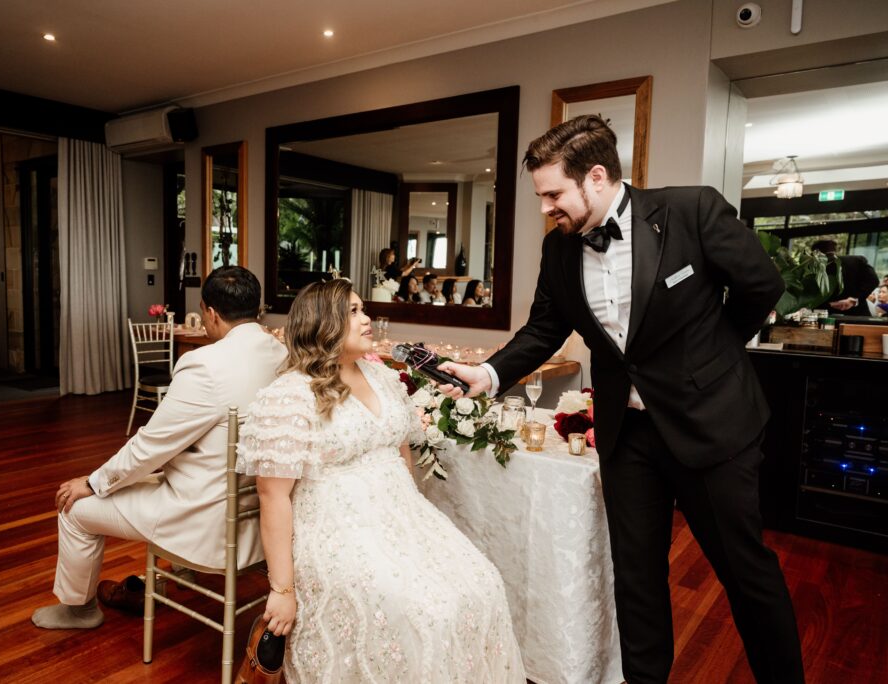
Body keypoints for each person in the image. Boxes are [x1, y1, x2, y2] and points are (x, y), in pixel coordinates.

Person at [436, 115, 804, 684]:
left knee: (745, 574)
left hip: (712, 426)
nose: (545, 208)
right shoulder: (558, 250)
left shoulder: (691, 211)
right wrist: (487, 374)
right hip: (628, 437)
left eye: (554, 194)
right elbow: (542, 330)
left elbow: (762, 285)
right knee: (636, 580)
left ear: (598, 176)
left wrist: (713, 353)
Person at [237, 279, 525, 683]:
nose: (367, 319)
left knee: (483, 584)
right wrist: (282, 590)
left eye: (362, 309)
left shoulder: (384, 379)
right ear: (322, 324)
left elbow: (401, 454)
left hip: (402, 517)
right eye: (352, 312)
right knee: (426, 610)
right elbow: (273, 496)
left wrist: (414, 525)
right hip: (337, 528)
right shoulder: (289, 395)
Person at [31, 266, 287, 629]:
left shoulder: (204, 365)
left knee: (75, 510)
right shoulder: (281, 353)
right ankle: (180, 574)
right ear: (256, 308)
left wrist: (91, 482)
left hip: (205, 520)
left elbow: (149, 448)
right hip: (261, 520)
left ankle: (79, 609)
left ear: (210, 314)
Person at [812, 239, 879, 316]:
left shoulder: (814, 268)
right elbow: (874, 280)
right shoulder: (857, 261)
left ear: (815, 253)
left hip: (826, 316)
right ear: (835, 250)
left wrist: (829, 304)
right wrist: (853, 300)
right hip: (857, 316)